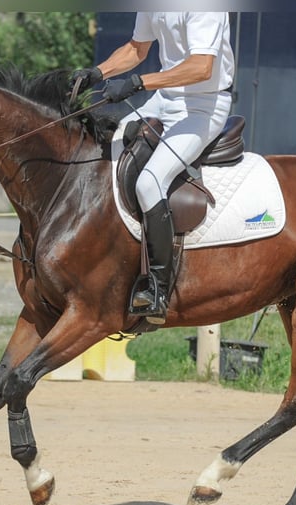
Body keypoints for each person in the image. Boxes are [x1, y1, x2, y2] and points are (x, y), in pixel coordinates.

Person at [71, 12, 235, 325]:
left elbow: (202, 67)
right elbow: (137, 48)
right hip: (165, 99)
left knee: (150, 183)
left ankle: (157, 289)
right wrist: (97, 73)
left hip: (203, 105)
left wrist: (139, 83)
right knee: (106, 155)